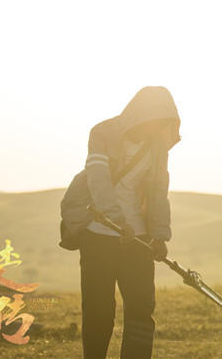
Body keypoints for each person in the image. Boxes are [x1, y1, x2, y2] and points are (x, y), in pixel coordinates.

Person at [79, 86, 180, 359]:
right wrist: (116, 219)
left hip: (139, 240)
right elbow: (97, 178)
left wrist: (159, 235)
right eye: (155, 120)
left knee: (140, 313)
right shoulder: (102, 134)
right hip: (98, 236)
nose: (157, 128)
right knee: (99, 312)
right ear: (140, 114)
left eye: (163, 123)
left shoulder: (157, 147)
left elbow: (159, 190)